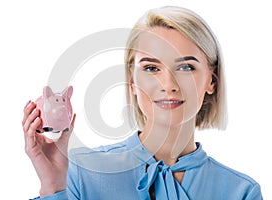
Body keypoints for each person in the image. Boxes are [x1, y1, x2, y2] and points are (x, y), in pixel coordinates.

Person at [22, 6, 262, 200]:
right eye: (151, 68)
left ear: (212, 80)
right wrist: (53, 186)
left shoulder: (241, 192)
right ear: (131, 81)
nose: (168, 84)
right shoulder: (80, 173)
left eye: (186, 67)